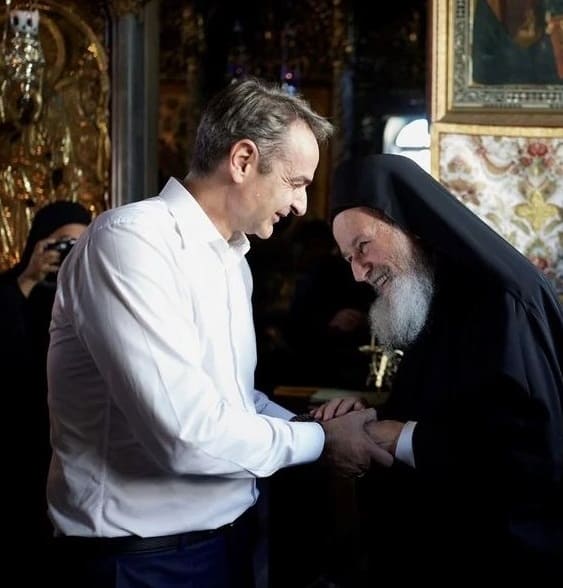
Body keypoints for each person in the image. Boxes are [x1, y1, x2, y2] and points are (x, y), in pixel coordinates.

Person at [46, 78, 392, 588]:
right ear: (243, 160)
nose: (301, 205)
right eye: (295, 182)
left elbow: (231, 402)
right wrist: (320, 440)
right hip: (140, 559)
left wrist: (309, 422)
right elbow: (185, 436)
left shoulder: (233, 260)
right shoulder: (132, 242)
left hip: (225, 540)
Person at [313, 154, 563, 581]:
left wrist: (399, 436)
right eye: (348, 258)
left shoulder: (502, 301)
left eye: (363, 247)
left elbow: (532, 456)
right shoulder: (435, 296)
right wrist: (371, 417)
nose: (358, 272)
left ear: (409, 223)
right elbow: (449, 409)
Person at [0, 200, 91, 544]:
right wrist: (28, 278)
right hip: (17, 432)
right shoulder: (12, 289)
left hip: (68, 438)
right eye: (64, 244)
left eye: (80, 245)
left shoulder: (90, 295)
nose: (70, 254)